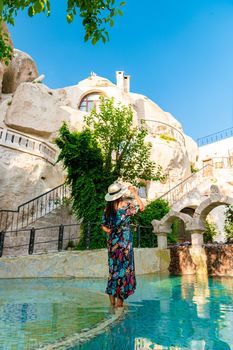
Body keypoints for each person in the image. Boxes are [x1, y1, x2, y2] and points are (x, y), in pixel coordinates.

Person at [102, 182, 144, 307]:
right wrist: (135, 193)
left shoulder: (107, 210)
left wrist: (113, 232)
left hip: (113, 243)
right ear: (120, 195)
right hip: (125, 244)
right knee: (123, 271)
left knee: (113, 270)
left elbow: (104, 227)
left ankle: (112, 303)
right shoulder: (125, 207)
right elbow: (141, 207)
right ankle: (119, 304)